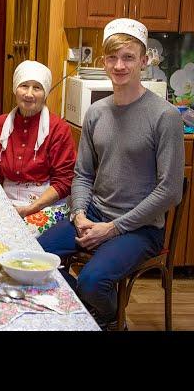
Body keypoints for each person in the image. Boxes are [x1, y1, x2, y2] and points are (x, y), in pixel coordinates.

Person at [37, 18, 185, 330]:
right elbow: (82, 174)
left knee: (92, 282)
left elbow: (170, 190)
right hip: (93, 214)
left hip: (140, 228)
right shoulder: (96, 113)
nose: (119, 65)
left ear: (144, 61)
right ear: (103, 61)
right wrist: (78, 214)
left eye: (129, 57)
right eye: (112, 58)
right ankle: (79, 314)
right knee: (33, 258)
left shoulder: (165, 116)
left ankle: (108, 319)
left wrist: (113, 228)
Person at [0, 60, 76, 234]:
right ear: (15, 89)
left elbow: (64, 181)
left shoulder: (58, 129)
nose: (29, 94)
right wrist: (1, 207)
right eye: (24, 86)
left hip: (46, 204)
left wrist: (30, 209)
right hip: (6, 201)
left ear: (46, 93)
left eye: (37, 88)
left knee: (19, 233)